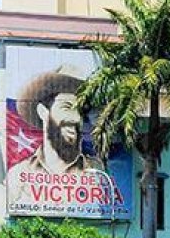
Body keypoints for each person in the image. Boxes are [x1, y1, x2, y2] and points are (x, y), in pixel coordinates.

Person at [6, 71, 105, 199]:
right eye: (66, 107)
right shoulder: (18, 175)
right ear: (43, 112)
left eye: (80, 111)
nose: (76, 118)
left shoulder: (97, 171)